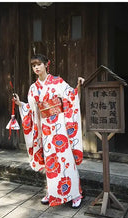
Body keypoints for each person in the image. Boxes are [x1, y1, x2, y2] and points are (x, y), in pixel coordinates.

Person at [13, 54, 85, 208]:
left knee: (66, 159)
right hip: (45, 128)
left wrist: (78, 86)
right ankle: (52, 192)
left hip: (60, 125)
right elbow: (32, 109)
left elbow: (71, 96)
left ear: (47, 64)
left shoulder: (57, 82)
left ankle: (76, 194)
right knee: (50, 161)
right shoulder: (34, 88)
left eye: (39, 64)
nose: (36, 68)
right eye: (33, 65)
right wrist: (20, 104)